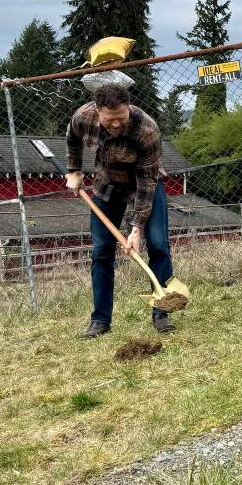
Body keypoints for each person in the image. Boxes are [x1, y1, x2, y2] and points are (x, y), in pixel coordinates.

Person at [66, 83, 177, 338]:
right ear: (98, 111)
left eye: (121, 118)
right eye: (109, 119)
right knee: (102, 251)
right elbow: (72, 136)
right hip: (107, 186)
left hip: (143, 185)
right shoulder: (84, 117)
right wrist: (75, 171)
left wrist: (136, 230)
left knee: (158, 245)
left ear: (129, 108)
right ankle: (100, 320)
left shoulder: (147, 130)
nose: (115, 124)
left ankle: (161, 313)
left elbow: (148, 183)